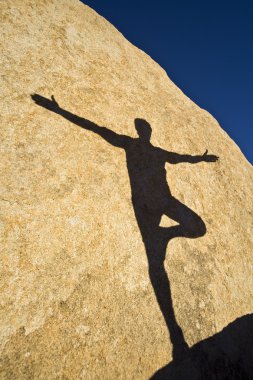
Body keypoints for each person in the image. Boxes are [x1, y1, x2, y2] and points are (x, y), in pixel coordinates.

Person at [31, 94, 219, 360]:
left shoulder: (158, 152)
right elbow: (95, 128)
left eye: (146, 129)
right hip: (144, 207)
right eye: (141, 128)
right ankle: (174, 332)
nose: (144, 131)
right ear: (138, 131)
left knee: (199, 227)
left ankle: (167, 234)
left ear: (149, 132)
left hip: (165, 200)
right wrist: (59, 111)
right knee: (156, 265)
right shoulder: (128, 144)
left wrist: (201, 159)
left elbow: (182, 158)